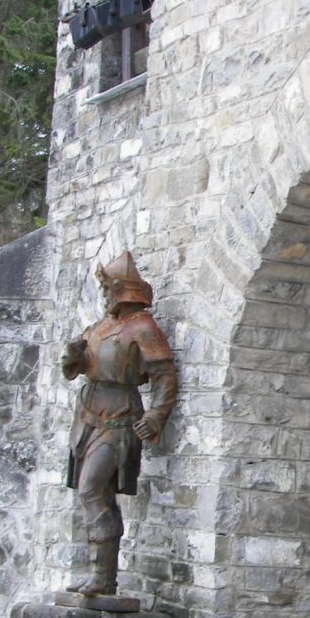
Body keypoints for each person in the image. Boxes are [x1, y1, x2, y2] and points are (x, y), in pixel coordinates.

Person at [62, 251, 177, 597]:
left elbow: (163, 374)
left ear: (119, 290)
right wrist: (74, 356)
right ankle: (100, 575)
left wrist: (155, 415)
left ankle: (103, 576)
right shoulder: (100, 328)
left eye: (106, 289)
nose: (103, 296)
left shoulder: (143, 328)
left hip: (119, 416)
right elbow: (76, 368)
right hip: (88, 416)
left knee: (92, 489)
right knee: (94, 492)